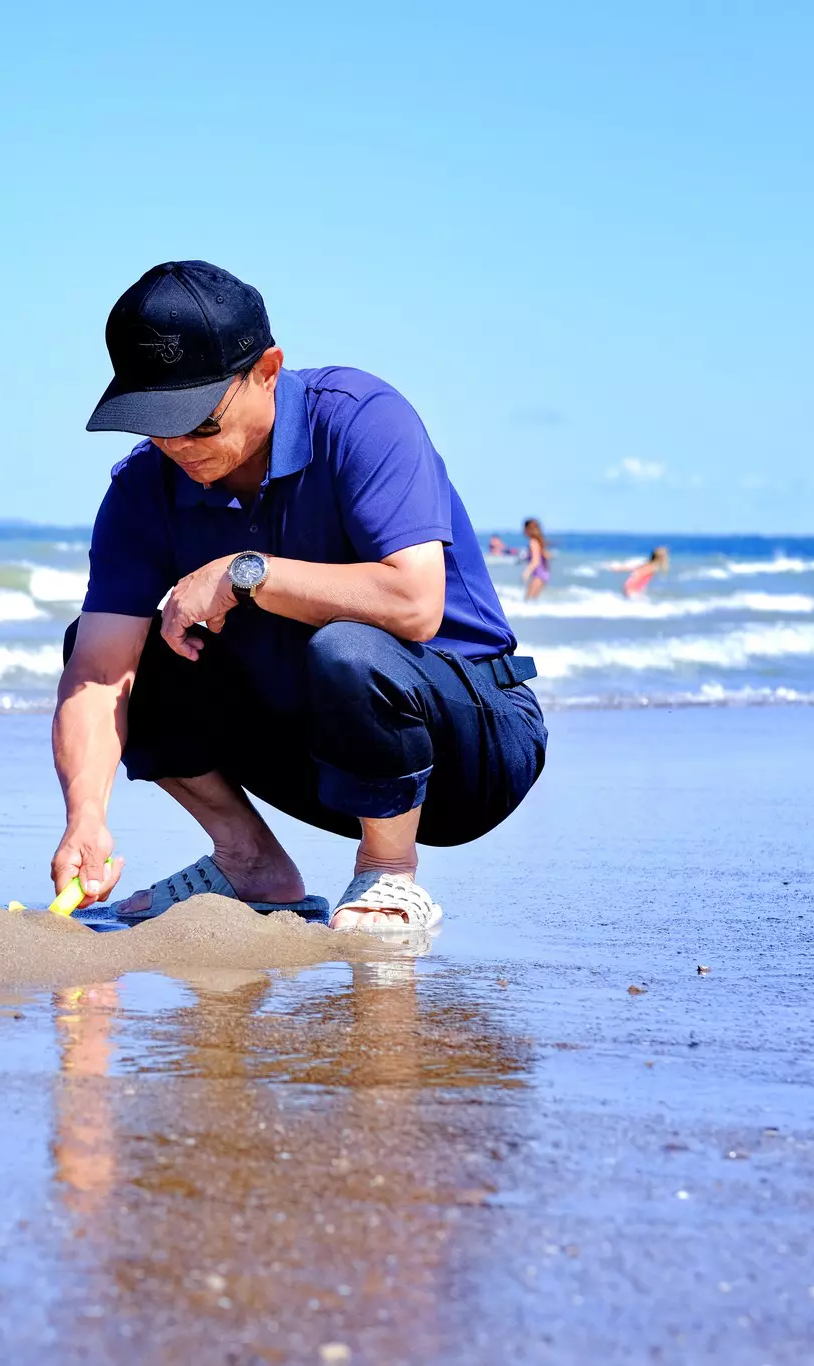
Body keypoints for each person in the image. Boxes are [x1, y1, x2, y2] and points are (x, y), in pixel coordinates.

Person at [51, 261, 546, 939]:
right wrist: (86, 817)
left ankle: (389, 871)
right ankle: (250, 864)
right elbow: (99, 671)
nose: (175, 445)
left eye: (197, 421)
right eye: (154, 422)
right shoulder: (144, 486)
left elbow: (414, 603)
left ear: (267, 370)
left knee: (348, 649)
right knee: (114, 651)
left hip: (474, 748)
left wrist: (244, 572)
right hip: (323, 754)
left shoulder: (361, 419)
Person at [521, 518, 551, 600]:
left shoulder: (533, 542)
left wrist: (526, 572)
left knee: (528, 600)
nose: (523, 531)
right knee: (532, 600)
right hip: (544, 573)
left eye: (524, 529)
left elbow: (535, 561)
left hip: (538, 574)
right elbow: (546, 556)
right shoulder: (539, 541)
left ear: (528, 529)